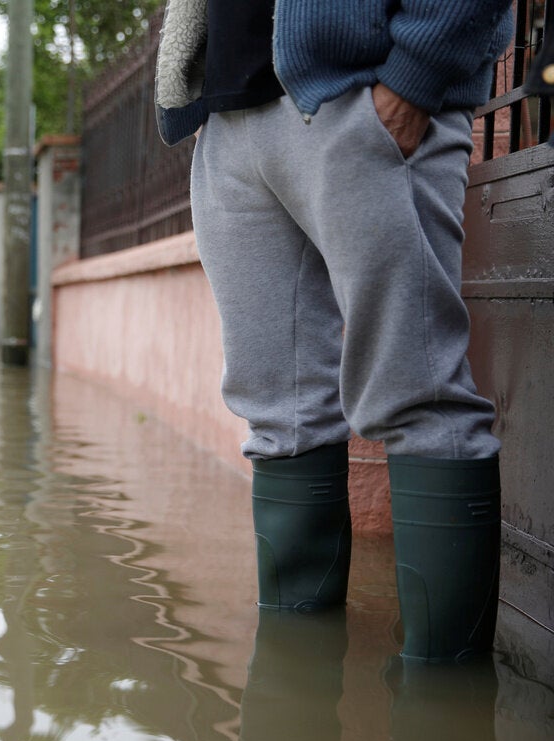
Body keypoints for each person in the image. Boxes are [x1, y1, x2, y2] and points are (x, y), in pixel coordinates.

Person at [154, 0, 515, 663]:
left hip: (365, 93)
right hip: (231, 115)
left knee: (419, 397)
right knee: (280, 418)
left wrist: (414, 78)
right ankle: (294, 695)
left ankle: (444, 705)